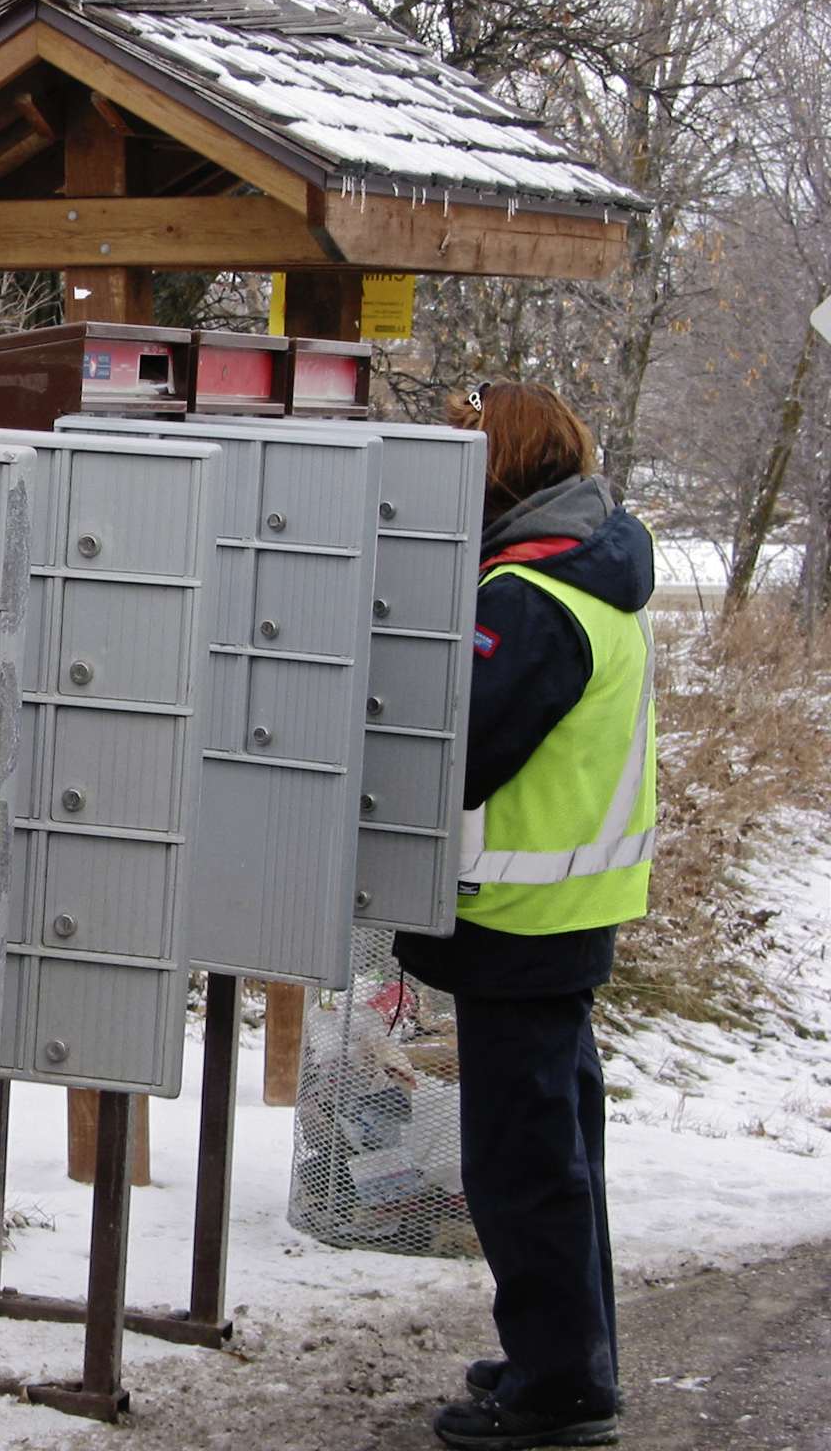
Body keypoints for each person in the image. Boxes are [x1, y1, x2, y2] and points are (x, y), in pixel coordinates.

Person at [393, 381, 657, 1451]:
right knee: (559, 1152)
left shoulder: (528, 600)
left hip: (518, 919)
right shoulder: (591, 573)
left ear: (495, 469)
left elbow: (455, 753)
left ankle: (558, 1393)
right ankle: (563, 1356)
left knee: (523, 1167)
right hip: (560, 913)